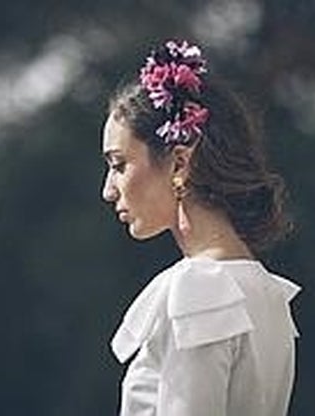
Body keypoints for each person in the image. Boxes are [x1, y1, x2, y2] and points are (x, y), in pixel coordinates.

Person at [101, 40, 301, 416]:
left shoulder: (199, 291)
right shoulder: (267, 293)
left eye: (119, 164)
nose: (108, 191)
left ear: (179, 163)